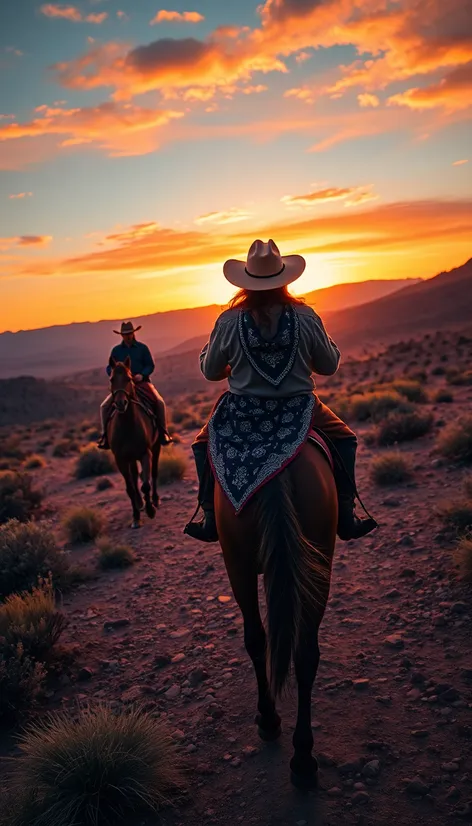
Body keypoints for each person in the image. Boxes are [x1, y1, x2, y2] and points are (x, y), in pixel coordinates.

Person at [184, 239, 377, 543]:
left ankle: (209, 517)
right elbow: (328, 366)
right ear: (284, 279)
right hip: (299, 408)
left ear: (244, 283)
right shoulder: (306, 316)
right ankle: (346, 515)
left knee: (201, 445)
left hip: (242, 411)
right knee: (344, 439)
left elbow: (210, 372)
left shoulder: (228, 321)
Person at [98, 320, 171, 449]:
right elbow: (110, 367)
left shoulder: (142, 348)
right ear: (121, 335)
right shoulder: (116, 351)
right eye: (125, 334)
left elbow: (150, 365)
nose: (128, 336)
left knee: (159, 402)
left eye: (130, 333)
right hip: (123, 386)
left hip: (142, 383)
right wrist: (114, 375)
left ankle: (163, 433)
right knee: (104, 406)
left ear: (133, 333)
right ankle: (105, 437)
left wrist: (142, 375)